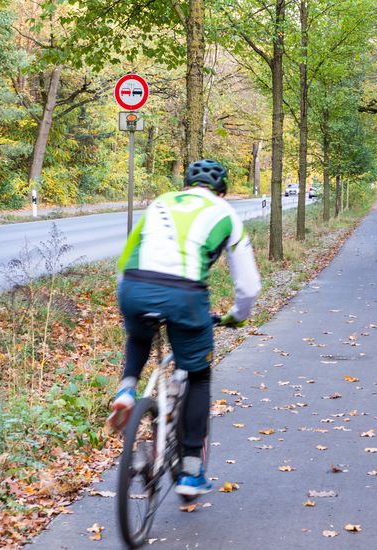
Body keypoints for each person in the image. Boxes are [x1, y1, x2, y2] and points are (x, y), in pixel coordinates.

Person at [108, 159, 261, 497]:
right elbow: (248, 285)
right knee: (198, 374)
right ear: (221, 191)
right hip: (185, 295)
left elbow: (127, 255)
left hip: (134, 286)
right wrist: (238, 315)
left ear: (186, 184)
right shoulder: (225, 213)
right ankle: (191, 469)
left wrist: (132, 296)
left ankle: (126, 390)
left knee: (139, 333)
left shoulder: (160, 202)